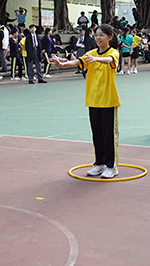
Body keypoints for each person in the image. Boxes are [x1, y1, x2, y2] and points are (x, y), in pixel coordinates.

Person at [51, 24, 122, 178]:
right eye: (96, 35)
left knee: (109, 134)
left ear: (110, 37)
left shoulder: (113, 52)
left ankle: (111, 166)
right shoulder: (91, 53)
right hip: (93, 99)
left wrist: (96, 59)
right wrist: (62, 64)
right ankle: (99, 163)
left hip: (108, 100)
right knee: (97, 134)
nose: (98, 38)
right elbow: (77, 62)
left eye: (101, 35)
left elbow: (109, 60)